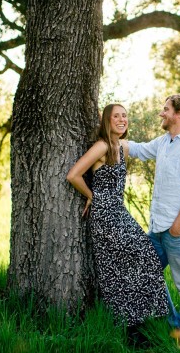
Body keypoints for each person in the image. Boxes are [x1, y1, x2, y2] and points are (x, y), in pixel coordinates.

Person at [67, 104, 169, 329]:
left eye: (125, 116)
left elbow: (153, 149)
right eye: (116, 116)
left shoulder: (122, 146)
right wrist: (91, 195)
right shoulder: (102, 146)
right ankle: (129, 324)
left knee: (140, 259)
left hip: (118, 210)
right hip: (105, 214)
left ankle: (138, 320)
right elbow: (73, 175)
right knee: (121, 264)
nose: (122, 120)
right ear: (107, 121)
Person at [127, 94, 180, 348]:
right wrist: (110, 135)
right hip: (158, 229)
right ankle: (176, 327)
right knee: (145, 273)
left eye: (166, 109)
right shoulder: (165, 142)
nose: (161, 113)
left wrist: (177, 227)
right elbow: (139, 150)